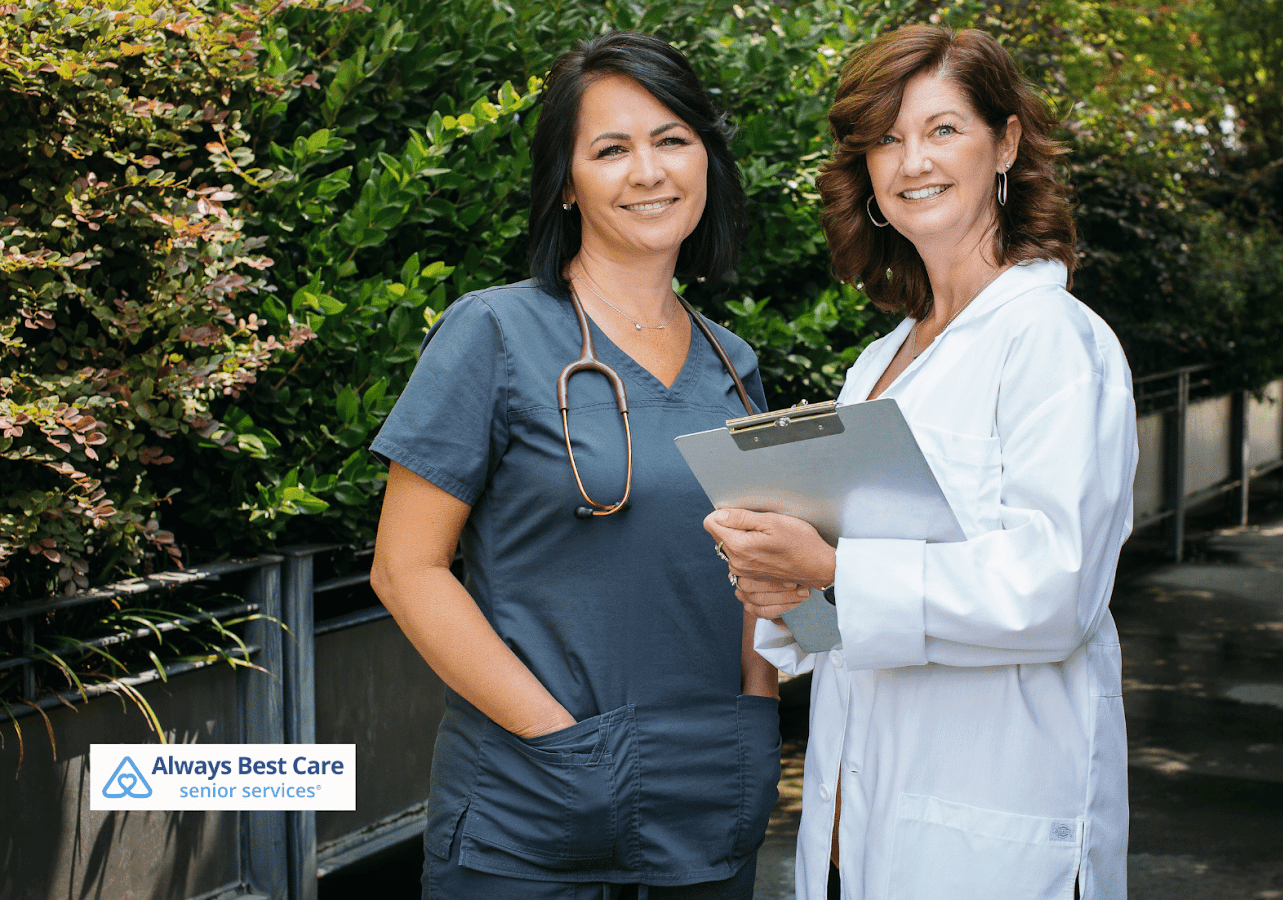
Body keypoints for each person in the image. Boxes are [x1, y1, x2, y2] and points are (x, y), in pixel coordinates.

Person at [703, 25, 1137, 900]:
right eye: (886, 139)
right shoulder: (883, 360)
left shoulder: (1052, 340)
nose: (912, 162)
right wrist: (789, 589)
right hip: (853, 818)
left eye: (943, 130)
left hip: (993, 817)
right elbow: (855, 624)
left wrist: (830, 567)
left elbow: (1056, 590)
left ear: (1006, 143)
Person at [369, 31, 781, 900]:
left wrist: (759, 706)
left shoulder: (734, 365)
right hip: (530, 812)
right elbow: (406, 570)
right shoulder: (492, 333)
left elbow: (762, 569)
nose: (649, 172)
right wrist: (559, 741)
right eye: (611, 149)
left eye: (673, 139)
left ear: (706, 159)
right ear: (566, 182)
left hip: (710, 809)